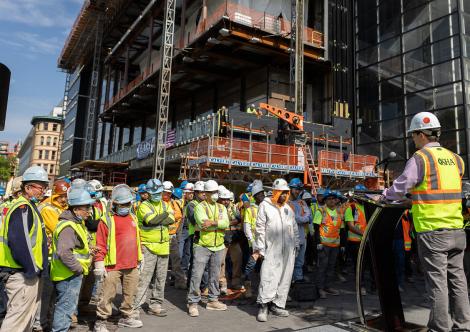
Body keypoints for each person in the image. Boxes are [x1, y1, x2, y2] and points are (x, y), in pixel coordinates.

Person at [381, 111, 470, 332]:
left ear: (421, 134)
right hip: (457, 230)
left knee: (437, 283)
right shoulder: (456, 159)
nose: (413, 139)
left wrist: (385, 195)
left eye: (413, 135)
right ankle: (463, 326)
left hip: (432, 231)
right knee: (458, 280)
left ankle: (440, 328)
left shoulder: (420, 158)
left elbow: (402, 186)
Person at [0, 166, 49, 332]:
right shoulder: (23, 208)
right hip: (22, 273)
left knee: (24, 320)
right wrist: (32, 269)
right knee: (16, 322)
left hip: (23, 272)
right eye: (40, 187)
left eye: (44, 187)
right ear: (27, 188)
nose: (43, 191)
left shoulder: (28, 207)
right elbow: (19, 242)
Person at [94, 184, 143, 331]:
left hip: (131, 264)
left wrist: (140, 259)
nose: (126, 206)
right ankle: (101, 320)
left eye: (128, 204)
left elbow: (137, 239)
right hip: (112, 265)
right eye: (123, 204)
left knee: (130, 293)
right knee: (107, 295)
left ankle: (127, 316)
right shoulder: (106, 220)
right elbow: (100, 243)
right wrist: (99, 263)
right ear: (114, 204)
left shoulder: (133, 217)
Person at [50, 187, 94, 332]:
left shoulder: (74, 223)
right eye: (86, 208)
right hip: (68, 275)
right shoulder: (69, 226)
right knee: (65, 310)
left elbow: (74, 247)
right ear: (76, 210)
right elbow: (64, 252)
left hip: (67, 273)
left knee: (65, 308)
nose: (89, 211)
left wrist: (90, 249)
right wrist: (78, 268)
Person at [255, 178, 299, 322]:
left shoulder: (288, 208)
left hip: (288, 249)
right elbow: (260, 228)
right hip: (271, 249)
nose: (283, 195)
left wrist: (296, 244)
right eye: (281, 192)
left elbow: (295, 227)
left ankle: (278, 305)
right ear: (275, 192)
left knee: (285, 277)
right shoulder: (265, 205)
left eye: (286, 192)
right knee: (268, 276)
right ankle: (263, 306)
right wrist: (260, 248)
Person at [32, 180, 71, 331]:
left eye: (65, 196)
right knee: (46, 292)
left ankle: (46, 320)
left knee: (53, 293)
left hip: (56, 256)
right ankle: (39, 322)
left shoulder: (62, 209)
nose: (63, 199)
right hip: (48, 257)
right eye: (60, 196)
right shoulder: (49, 209)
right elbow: (60, 230)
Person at [133, 179, 175, 317]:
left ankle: (155, 304)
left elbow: (172, 219)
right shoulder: (144, 206)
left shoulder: (165, 204)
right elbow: (151, 221)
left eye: (158, 192)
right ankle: (135, 307)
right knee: (144, 278)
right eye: (154, 193)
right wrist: (165, 216)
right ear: (149, 193)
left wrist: (161, 217)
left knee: (160, 279)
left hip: (163, 246)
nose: (157, 195)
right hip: (148, 246)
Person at [187, 180, 229, 317]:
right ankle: (193, 303)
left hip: (218, 246)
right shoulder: (200, 207)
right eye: (212, 192)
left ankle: (213, 300)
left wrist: (213, 222)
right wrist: (218, 224)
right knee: (197, 275)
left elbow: (226, 223)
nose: (215, 195)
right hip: (202, 245)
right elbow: (202, 223)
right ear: (206, 193)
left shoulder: (222, 207)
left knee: (215, 275)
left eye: (216, 192)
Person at [313, 190, 345, 299]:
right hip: (324, 244)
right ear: (325, 200)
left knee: (331, 267)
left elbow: (342, 229)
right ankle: (320, 288)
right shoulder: (321, 211)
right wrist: (318, 242)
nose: (332, 201)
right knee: (322, 267)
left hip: (335, 245)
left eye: (333, 199)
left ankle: (327, 286)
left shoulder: (339, 212)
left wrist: (343, 245)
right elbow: (316, 228)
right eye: (329, 199)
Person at [218, 188, 243, 293]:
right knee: (221, 262)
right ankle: (222, 283)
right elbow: (218, 221)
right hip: (222, 238)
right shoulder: (217, 208)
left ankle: (235, 282)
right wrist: (229, 222)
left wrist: (226, 223)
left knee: (237, 259)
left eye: (227, 199)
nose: (226, 201)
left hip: (233, 238)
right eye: (224, 199)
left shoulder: (233, 207)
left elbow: (238, 219)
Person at [288, 178, 312, 283]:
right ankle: (289, 282)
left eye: (299, 189)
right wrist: (304, 219)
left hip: (302, 236)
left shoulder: (302, 202)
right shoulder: (287, 203)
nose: (298, 191)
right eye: (296, 189)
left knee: (300, 262)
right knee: (290, 262)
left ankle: (298, 281)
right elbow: (293, 218)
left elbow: (309, 217)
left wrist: (302, 219)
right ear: (290, 188)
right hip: (291, 237)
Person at [165, 184, 186, 289]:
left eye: (168, 193)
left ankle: (179, 281)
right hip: (161, 236)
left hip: (172, 235)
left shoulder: (174, 203)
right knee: (162, 261)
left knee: (176, 260)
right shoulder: (158, 203)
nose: (166, 194)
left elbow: (178, 216)